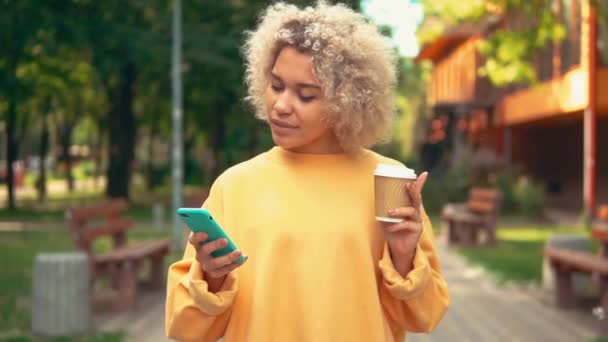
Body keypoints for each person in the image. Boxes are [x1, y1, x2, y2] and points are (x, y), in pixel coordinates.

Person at [165, 2, 449, 341]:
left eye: (306, 95)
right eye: (276, 85)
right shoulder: (235, 186)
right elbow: (186, 327)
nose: (281, 105)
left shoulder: (387, 180)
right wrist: (211, 277)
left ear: (347, 99)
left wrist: (404, 258)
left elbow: (424, 316)